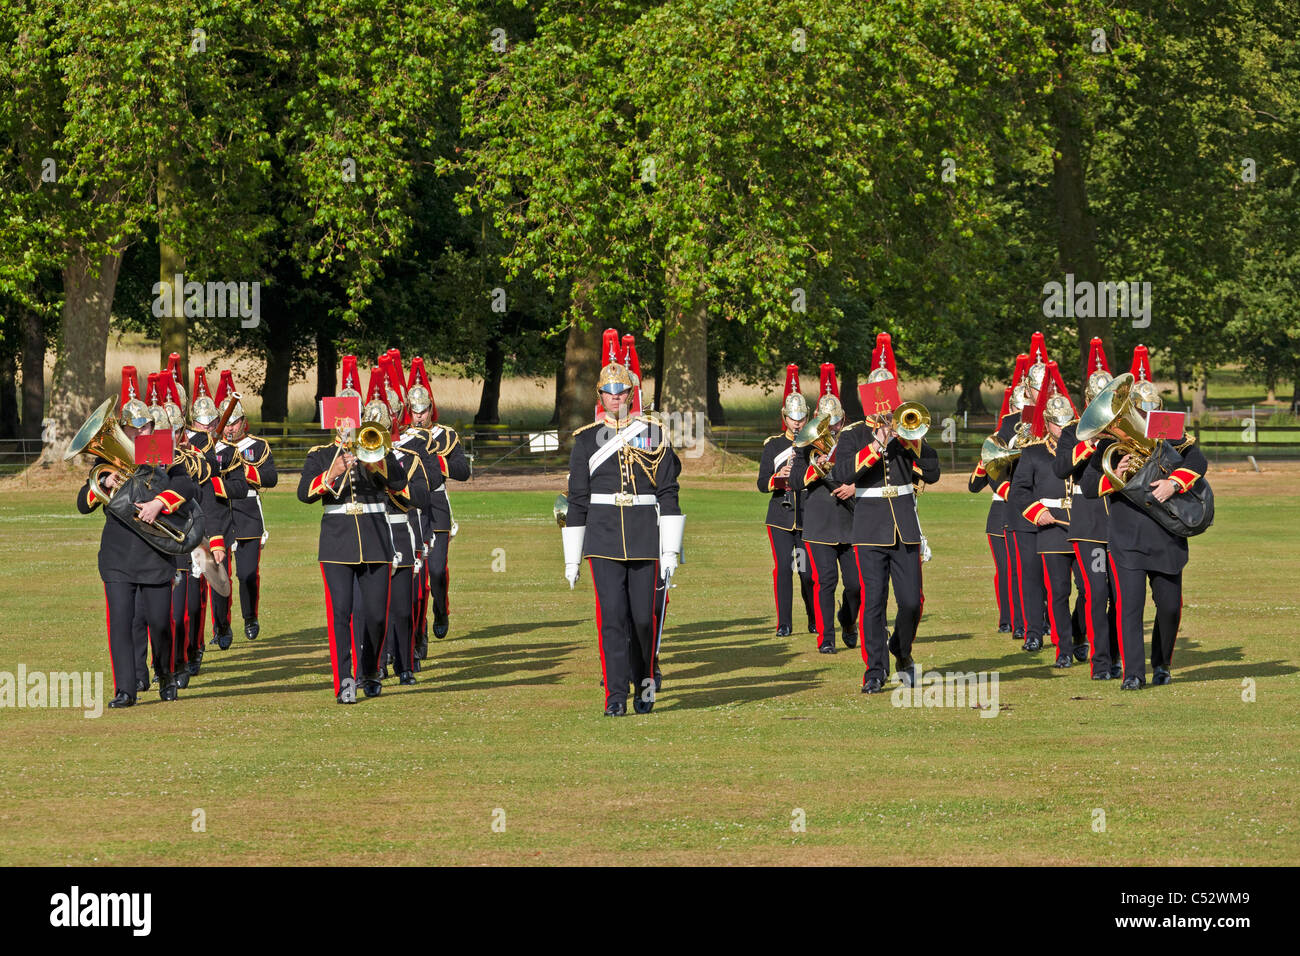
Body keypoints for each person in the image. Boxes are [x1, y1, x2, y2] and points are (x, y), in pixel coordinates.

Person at [561, 359, 684, 716]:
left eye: (623, 391)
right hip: (603, 538)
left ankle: (644, 687)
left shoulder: (653, 433)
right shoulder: (586, 440)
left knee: (643, 620)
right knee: (612, 618)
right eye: (609, 393)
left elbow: (669, 492)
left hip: (645, 535)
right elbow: (578, 501)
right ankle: (615, 696)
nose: (616, 398)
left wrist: (671, 549)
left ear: (631, 393)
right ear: (600, 396)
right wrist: (572, 558)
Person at [74, 368, 197, 707]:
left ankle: (166, 674)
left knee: (160, 622)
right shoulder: (106, 459)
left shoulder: (162, 450)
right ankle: (125, 690)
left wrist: (161, 501)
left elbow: (187, 485)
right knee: (121, 624)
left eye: (146, 427)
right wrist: (103, 483)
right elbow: (84, 504)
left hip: (155, 552)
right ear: (124, 428)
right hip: (117, 555)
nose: (141, 432)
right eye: (135, 427)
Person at [1080, 367, 1208, 690]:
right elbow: (1088, 485)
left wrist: (1173, 483)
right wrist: (1114, 473)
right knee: (1129, 608)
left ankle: (1162, 663)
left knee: (1169, 607)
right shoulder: (1112, 444)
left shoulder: (1171, 434)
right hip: (1127, 537)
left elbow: (1199, 461)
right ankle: (1133, 675)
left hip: (1166, 535)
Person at [831, 338, 940, 693]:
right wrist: (877, 444)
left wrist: (910, 439)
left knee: (911, 601)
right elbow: (844, 473)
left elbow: (934, 472)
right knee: (873, 602)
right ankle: (874, 670)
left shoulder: (909, 429)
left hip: (904, 526)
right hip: (868, 528)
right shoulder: (853, 434)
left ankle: (902, 650)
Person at [298, 380, 408, 703]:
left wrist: (375, 461)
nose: (346, 423)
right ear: (334, 420)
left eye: (352, 417)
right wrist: (332, 471)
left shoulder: (373, 446)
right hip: (336, 543)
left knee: (376, 615)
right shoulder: (320, 455)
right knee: (340, 614)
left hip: (375, 540)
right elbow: (304, 493)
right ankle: (345, 680)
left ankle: (371, 669)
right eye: (341, 417)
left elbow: (399, 482)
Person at [1055, 339, 1121, 679]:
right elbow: (1061, 469)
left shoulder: (1124, 430)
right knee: (1097, 593)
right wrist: (1090, 441)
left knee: (1121, 594)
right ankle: (1100, 661)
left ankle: (1118, 655)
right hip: (1089, 524)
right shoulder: (1071, 433)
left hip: (1122, 521)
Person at [1010, 371, 1081, 666]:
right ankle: (1064, 648)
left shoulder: (1082, 448)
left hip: (1083, 525)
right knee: (1059, 592)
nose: (1062, 429)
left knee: (1092, 590)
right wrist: (1037, 513)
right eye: (1056, 423)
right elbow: (1019, 492)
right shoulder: (1034, 453)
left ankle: (1081, 634)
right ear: (1047, 422)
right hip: (1051, 528)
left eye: (1067, 424)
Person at [790, 368, 860, 654]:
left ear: (842, 419)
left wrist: (855, 488)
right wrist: (815, 467)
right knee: (825, 582)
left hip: (851, 520)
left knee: (855, 585)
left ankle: (848, 620)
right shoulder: (805, 446)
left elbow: (866, 471)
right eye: (826, 422)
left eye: (835, 422)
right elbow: (795, 482)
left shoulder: (854, 442)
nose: (831, 427)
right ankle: (826, 637)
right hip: (819, 523)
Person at [405, 357, 470, 649]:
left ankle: (441, 608)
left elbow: (463, 471)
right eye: (415, 411)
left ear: (432, 409)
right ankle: (418, 632)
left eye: (424, 410)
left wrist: (433, 458)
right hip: (409, 507)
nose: (420, 416)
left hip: (437, 503)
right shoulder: (400, 438)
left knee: (437, 569)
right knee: (415, 572)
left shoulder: (446, 435)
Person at [215, 370, 277, 642]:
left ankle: (250, 615)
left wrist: (240, 469)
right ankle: (221, 627)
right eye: (226, 423)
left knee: (247, 573)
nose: (230, 428)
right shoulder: (210, 447)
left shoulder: (258, 446)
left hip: (247, 511)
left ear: (243, 422)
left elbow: (270, 478)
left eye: (235, 422)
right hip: (218, 510)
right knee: (219, 575)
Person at [187, 367, 246, 653]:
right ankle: (195, 647)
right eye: (201, 424)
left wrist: (217, 481)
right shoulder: (186, 451)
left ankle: (222, 624)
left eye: (211, 423)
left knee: (220, 584)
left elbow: (240, 488)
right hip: (189, 526)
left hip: (219, 523)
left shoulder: (230, 452)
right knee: (192, 592)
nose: (207, 427)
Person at [757, 365, 816, 636]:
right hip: (780, 518)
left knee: (806, 573)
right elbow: (762, 484)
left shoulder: (814, 445)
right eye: (793, 417)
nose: (797, 422)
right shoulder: (773, 445)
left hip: (807, 517)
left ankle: (814, 618)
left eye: (801, 417)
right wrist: (780, 477)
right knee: (783, 569)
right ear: (785, 417)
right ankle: (784, 623)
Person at [969, 384, 1016, 634]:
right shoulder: (998, 442)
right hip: (1000, 512)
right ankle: (1006, 618)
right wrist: (986, 459)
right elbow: (974, 486)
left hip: (1027, 510)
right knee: (1006, 570)